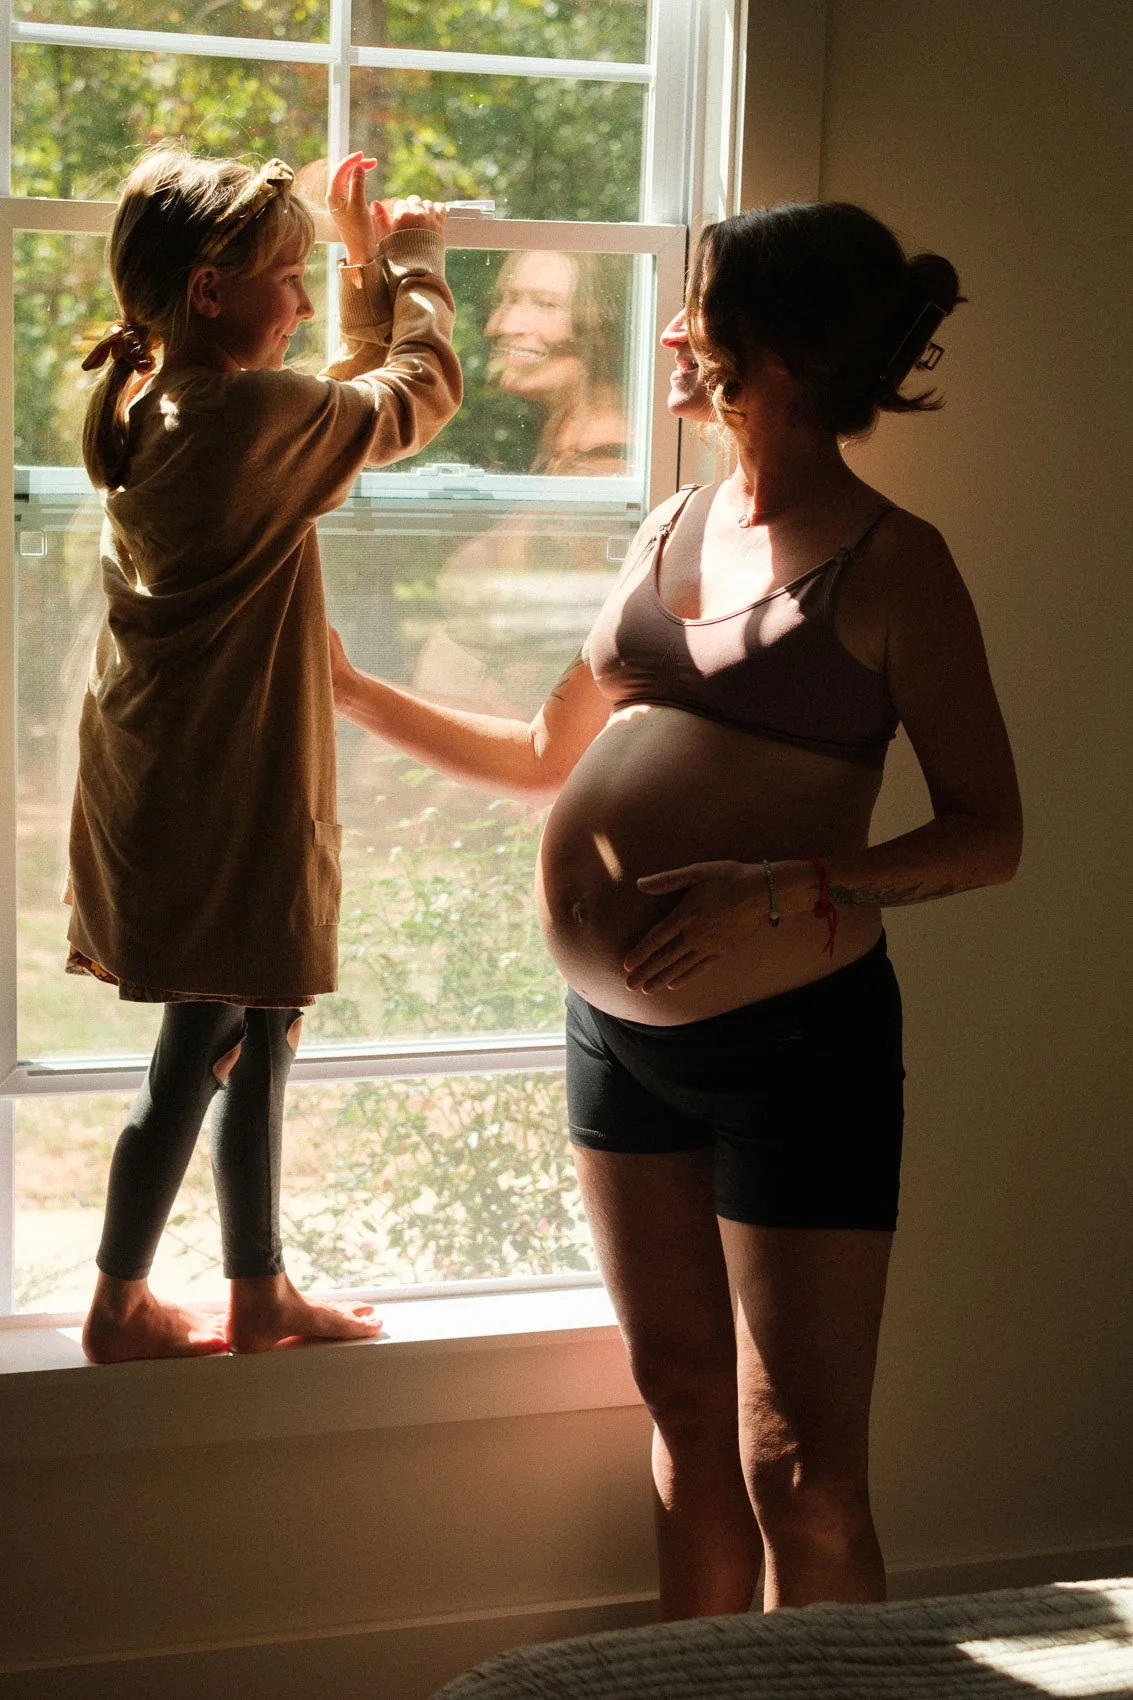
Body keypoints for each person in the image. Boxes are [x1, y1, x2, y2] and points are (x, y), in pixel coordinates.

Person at [329, 201, 1022, 1613]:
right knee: (686, 1415)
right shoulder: (670, 521)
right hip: (617, 1040)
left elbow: (989, 836)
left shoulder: (897, 565)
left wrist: (794, 884)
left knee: (803, 1467)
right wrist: (346, 689)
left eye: (694, 309)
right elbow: (543, 755)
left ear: (771, 350)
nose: (664, 331)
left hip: (797, 1049)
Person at [71, 146, 461, 1362]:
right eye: (283, 278)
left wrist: (348, 271)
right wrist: (413, 269)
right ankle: (121, 1303)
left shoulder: (173, 407)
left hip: (176, 782)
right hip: (227, 792)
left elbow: (326, 407)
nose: (297, 303)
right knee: (205, 1041)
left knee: (253, 1025)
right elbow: (406, 400)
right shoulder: (244, 412)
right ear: (206, 290)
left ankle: (255, 1289)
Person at [484, 248, 630, 475]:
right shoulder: (565, 438)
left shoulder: (603, 460)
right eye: (503, 301)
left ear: (600, 326)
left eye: (545, 304)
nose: (502, 325)